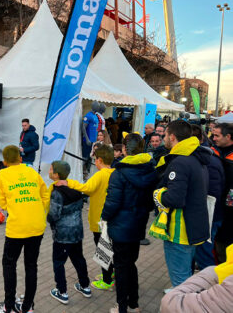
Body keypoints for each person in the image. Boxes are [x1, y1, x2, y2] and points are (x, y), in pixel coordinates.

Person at [102, 133, 157, 313]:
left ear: (125, 149)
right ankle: (134, 303)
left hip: (120, 226)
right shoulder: (150, 170)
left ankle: (122, 306)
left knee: (122, 266)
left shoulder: (119, 173)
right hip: (137, 224)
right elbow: (151, 203)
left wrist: (104, 217)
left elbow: (112, 202)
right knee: (130, 263)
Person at [153, 120, 210, 290]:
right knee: (186, 276)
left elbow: (174, 198)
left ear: (172, 136)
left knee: (181, 283)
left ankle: (182, 303)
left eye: (164, 135)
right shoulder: (195, 157)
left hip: (180, 231)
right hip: (193, 227)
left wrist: (158, 193)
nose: (163, 139)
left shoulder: (180, 161)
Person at [0, 145, 49, 313]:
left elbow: (3, 203)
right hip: (37, 226)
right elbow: (45, 194)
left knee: (9, 264)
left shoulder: (2, 174)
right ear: (20, 158)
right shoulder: (32, 171)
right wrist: (40, 211)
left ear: (4, 161)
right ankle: (28, 307)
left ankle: (9, 306)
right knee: (31, 265)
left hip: (17, 228)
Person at [57, 145, 116, 291]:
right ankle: (111, 273)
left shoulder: (100, 174)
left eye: (95, 159)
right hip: (110, 218)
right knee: (108, 248)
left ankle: (107, 280)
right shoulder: (114, 172)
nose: (94, 162)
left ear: (100, 160)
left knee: (103, 250)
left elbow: (86, 188)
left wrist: (69, 182)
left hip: (100, 220)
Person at [47, 160, 91, 305]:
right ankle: (85, 286)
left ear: (56, 174)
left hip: (63, 236)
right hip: (77, 232)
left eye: (51, 169)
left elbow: (54, 215)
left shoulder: (56, 194)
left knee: (59, 262)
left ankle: (62, 291)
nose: (49, 171)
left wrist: (48, 219)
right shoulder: (76, 191)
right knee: (79, 259)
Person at [160, 244, 233, 313]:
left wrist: (215, 271)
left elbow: (171, 305)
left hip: (179, 238)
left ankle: (182, 290)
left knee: (180, 272)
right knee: (187, 265)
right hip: (190, 239)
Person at [191, 124, 225, 270]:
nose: (214, 138)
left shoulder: (207, 160)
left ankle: (210, 287)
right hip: (208, 215)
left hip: (210, 216)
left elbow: (212, 194)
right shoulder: (206, 156)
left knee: (205, 252)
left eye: (216, 135)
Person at [211, 123, 233, 263]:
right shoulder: (211, 152)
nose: (214, 138)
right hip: (214, 209)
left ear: (228, 136)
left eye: (217, 135)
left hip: (230, 212)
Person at [81, 102, 100, 178]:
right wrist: (87, 139)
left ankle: (87, 173)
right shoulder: (88, 116)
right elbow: (83, 127)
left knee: (91, 157)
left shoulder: (95, 116)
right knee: (84, 157)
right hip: (88, 141)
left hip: (93, 141)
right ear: (93, 106)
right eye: (97, 106)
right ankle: (81, 172)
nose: (98, 108)